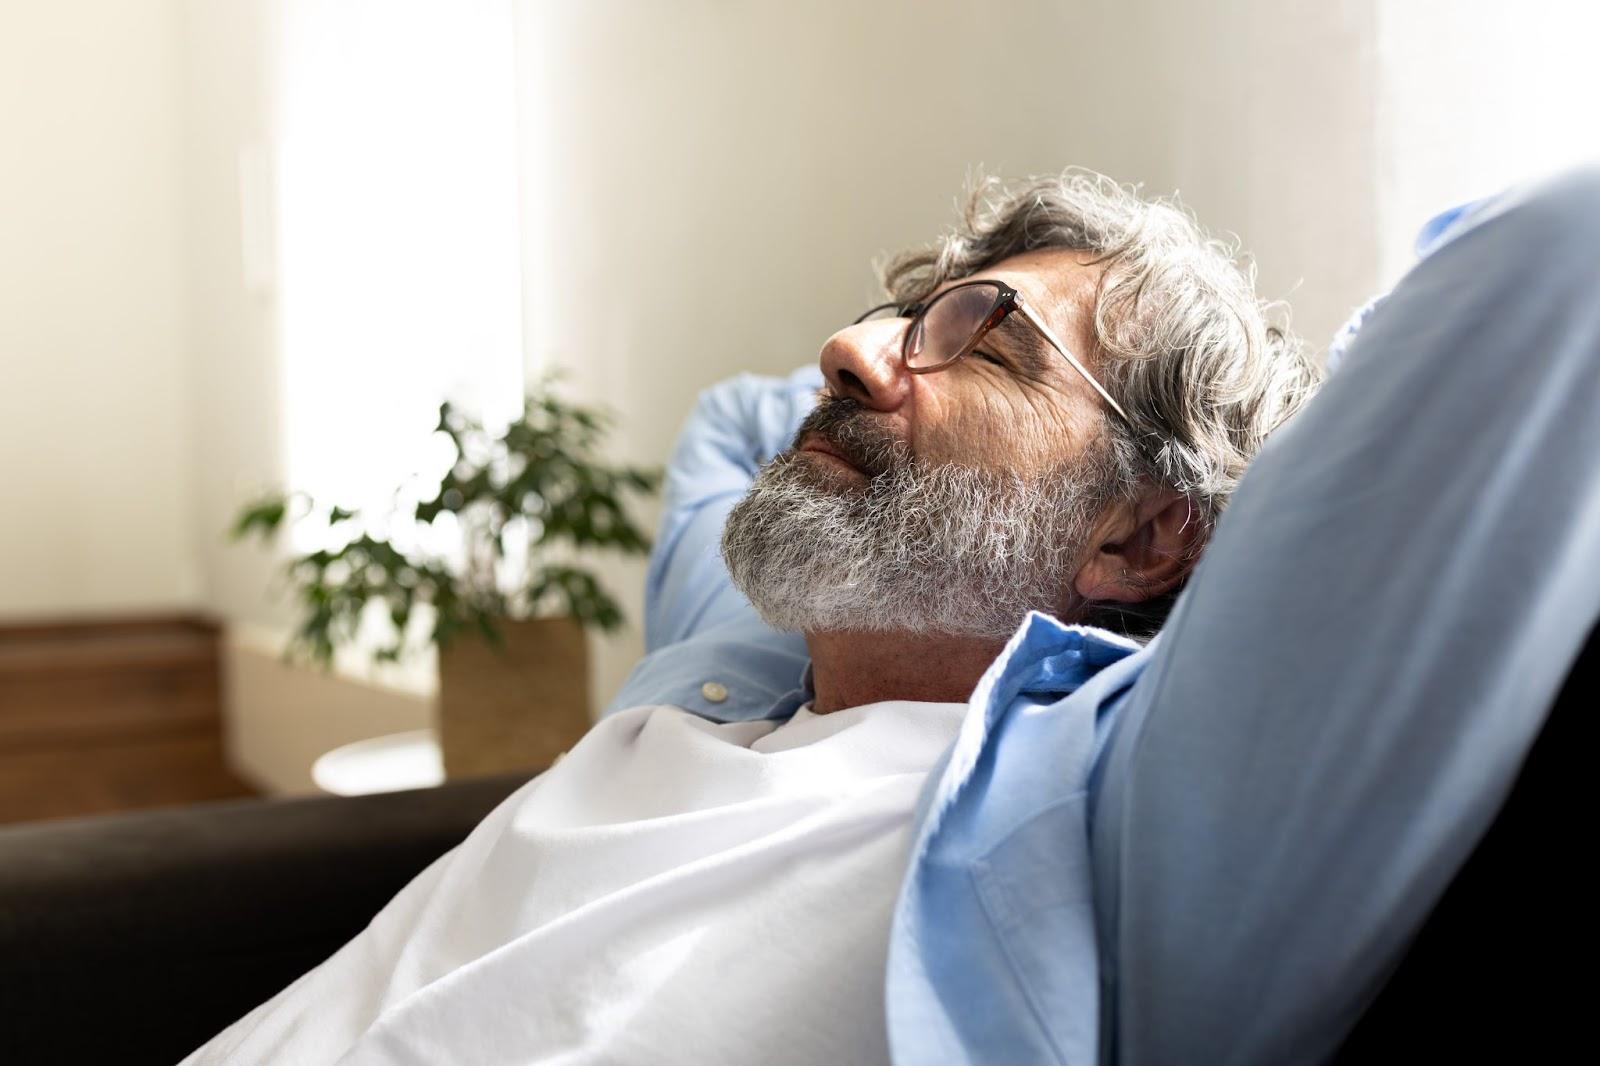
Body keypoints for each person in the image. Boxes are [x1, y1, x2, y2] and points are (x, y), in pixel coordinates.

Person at [184, 164, 1600, 1064]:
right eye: (891, 315)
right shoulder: (723, 659)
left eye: (981, 342)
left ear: (1139, 531)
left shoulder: (1109, 813)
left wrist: (1245, 496)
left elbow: (1558, 263)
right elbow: (741, 417)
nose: (848, 351)